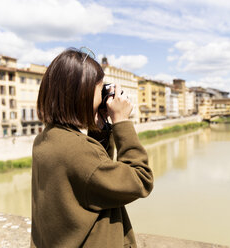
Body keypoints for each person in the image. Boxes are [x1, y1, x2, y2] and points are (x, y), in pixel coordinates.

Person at [31, 47, 154, 248]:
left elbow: (94, 178)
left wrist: (100, 128)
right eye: (99, 89)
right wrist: (121, 121)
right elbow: (141, 180)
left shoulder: (46, 139)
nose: (104, 96)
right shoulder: (78, 151)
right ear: (82, 95)